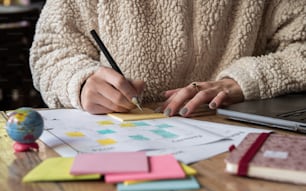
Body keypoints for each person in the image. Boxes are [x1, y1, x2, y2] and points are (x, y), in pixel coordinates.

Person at [30, 0, 306, 117]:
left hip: (236, 139)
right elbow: (50, 50)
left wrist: (243, 81)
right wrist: (80, 83)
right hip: (115, 142)